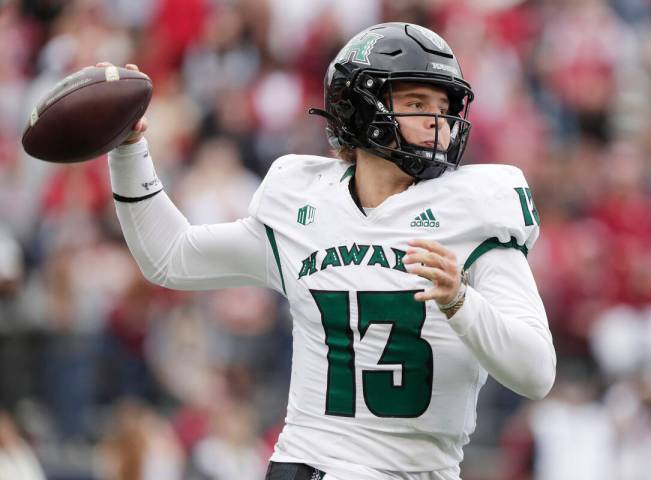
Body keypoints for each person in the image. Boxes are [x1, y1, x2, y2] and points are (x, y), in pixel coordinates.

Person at [104, 22, 556, 480]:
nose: (436, 122)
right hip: (308, 464)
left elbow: (536, 373)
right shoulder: (305, 202)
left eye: (443, 106)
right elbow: (171, 257)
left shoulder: (477, 212)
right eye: (417, 103)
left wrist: (461, 300)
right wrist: (128, 150)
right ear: (358, 107)